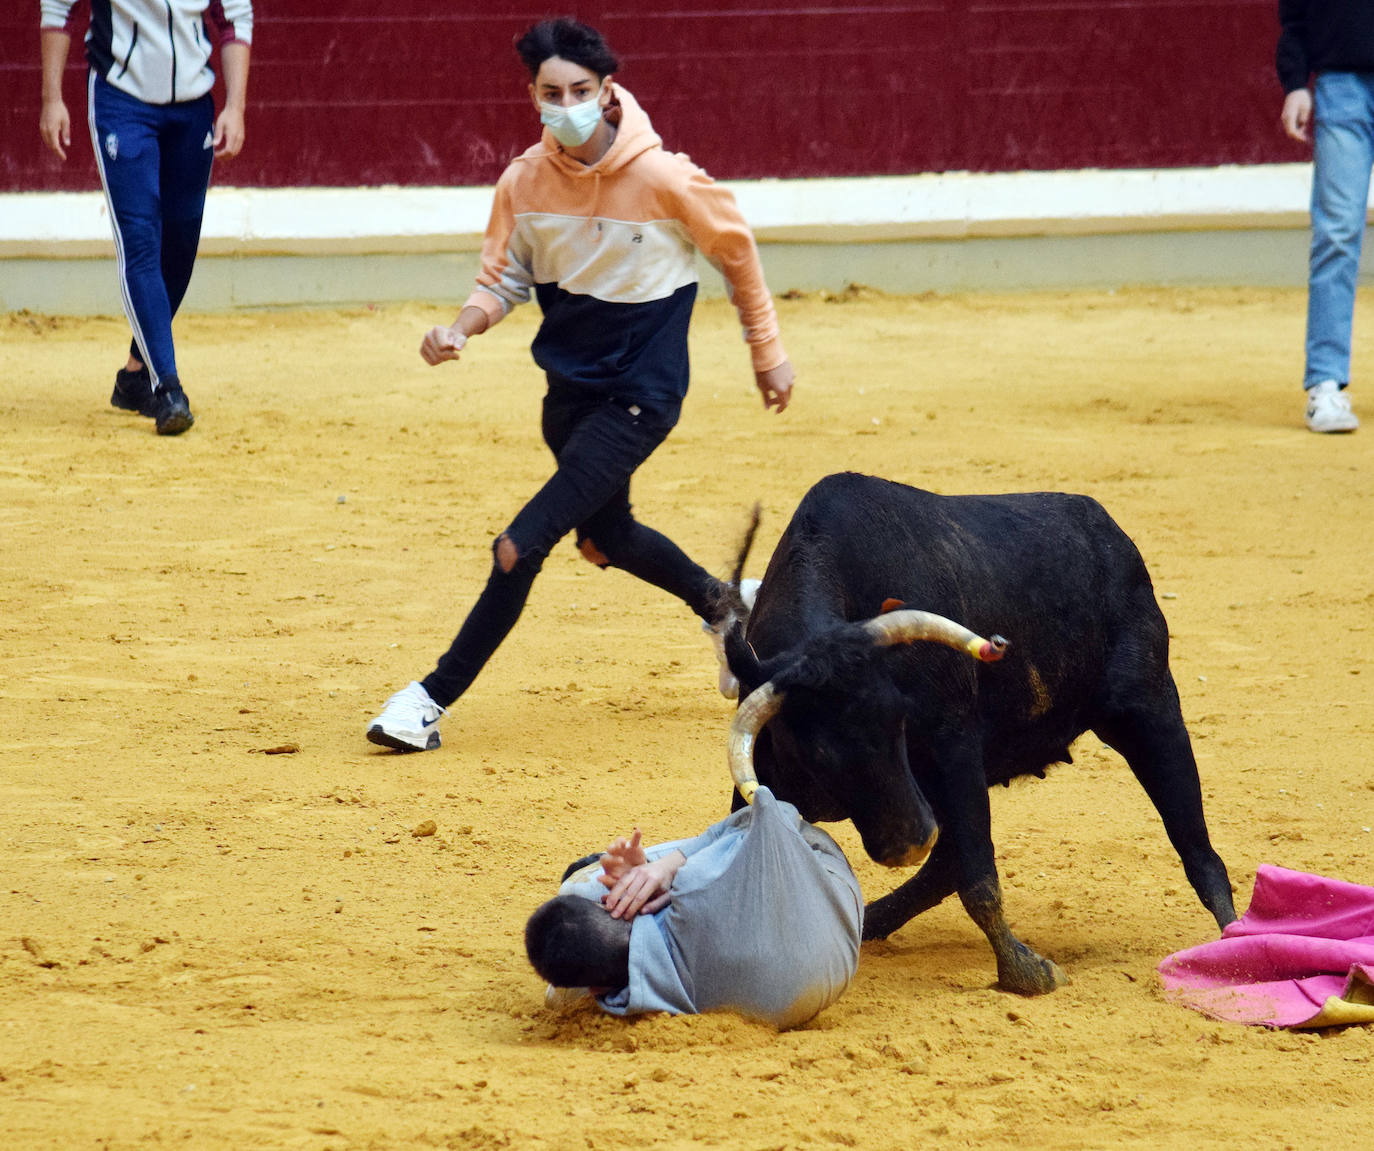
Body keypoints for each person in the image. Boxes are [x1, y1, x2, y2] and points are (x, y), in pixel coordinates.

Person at [366, 17, 794, 751]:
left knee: (517, 546)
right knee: (608, 536)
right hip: (568, 400)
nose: (566, 104)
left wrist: (767, 350)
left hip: (640, 396)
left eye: (581, 90)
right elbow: (502, 279)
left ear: (606, 90)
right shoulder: (523, 183)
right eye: (550, 92)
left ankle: (427, 700)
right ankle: (727, 607)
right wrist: (461, 329)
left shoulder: (664, 177)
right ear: (532, 96)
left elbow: (737, 251)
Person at [38, 0, 254, 436]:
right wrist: (51, 97)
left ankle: (135, 374)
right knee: (140, 240)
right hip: (123, 100)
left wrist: (236, 106)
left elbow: (234, 16)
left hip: (193, 108)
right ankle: (167, 388)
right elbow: (58, 8)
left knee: (180, 246)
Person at [525, 787, 863, 1030]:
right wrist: (672, 866)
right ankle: (649, 869)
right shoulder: (696, 884)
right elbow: (775, 810)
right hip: (829, 882)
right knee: (577, 884)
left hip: (818, 981)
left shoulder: (622, 1004)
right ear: (618, 907)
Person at [1277, 0, 1370, 434]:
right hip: (1342, 84)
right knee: (1337, 231)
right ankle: (1325, 384)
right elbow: (1296, 13)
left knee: (1336, 231)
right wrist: (1295, 81)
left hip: (1342, 85)